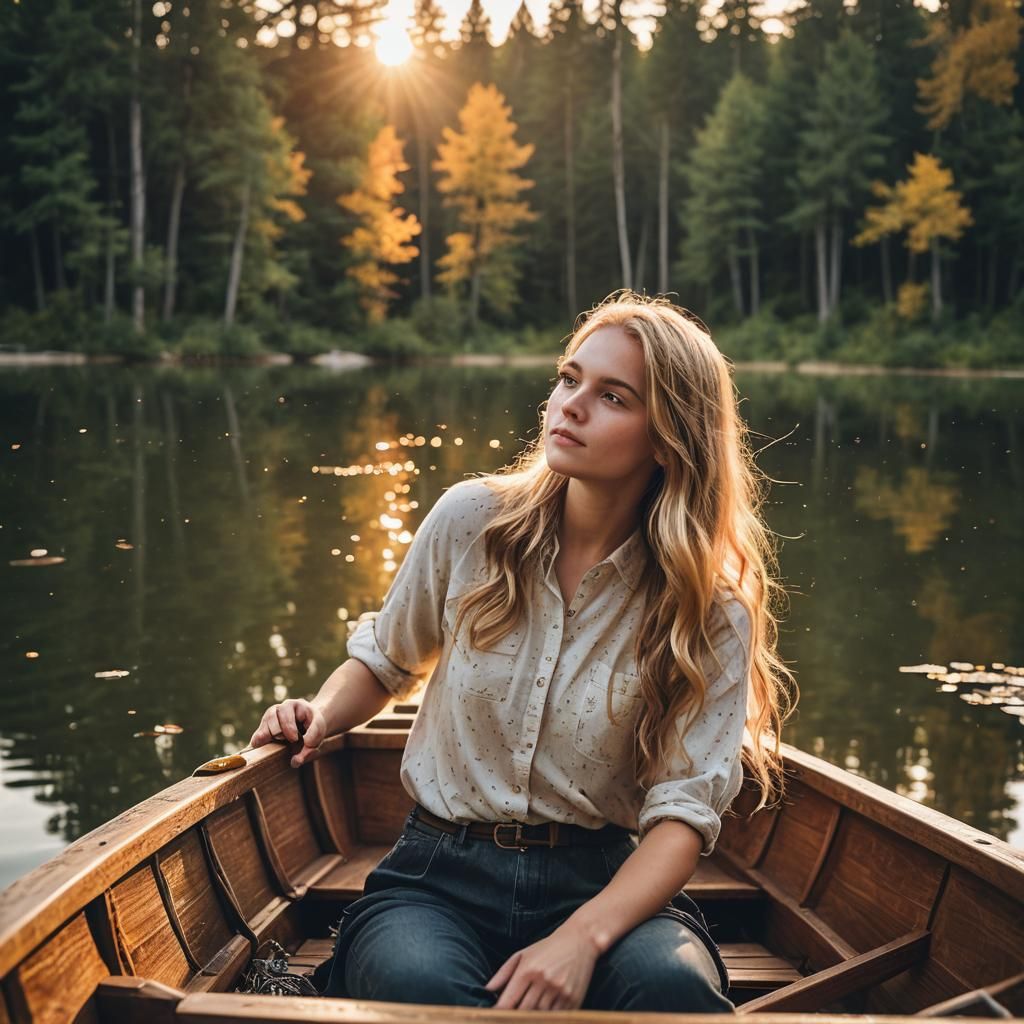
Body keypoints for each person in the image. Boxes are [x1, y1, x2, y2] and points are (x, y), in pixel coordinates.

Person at [249, 289, 796, 1013]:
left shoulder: (710, 606)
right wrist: (318, 715)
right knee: (422, 989)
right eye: (569, 379)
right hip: (435, 877)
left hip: (605, 880)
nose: (570, 406)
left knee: (671, 989)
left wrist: (581, 939)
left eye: (612, 396)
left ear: (669, 440)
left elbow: (683, 815)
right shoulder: (470, 521)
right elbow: (386, 662)